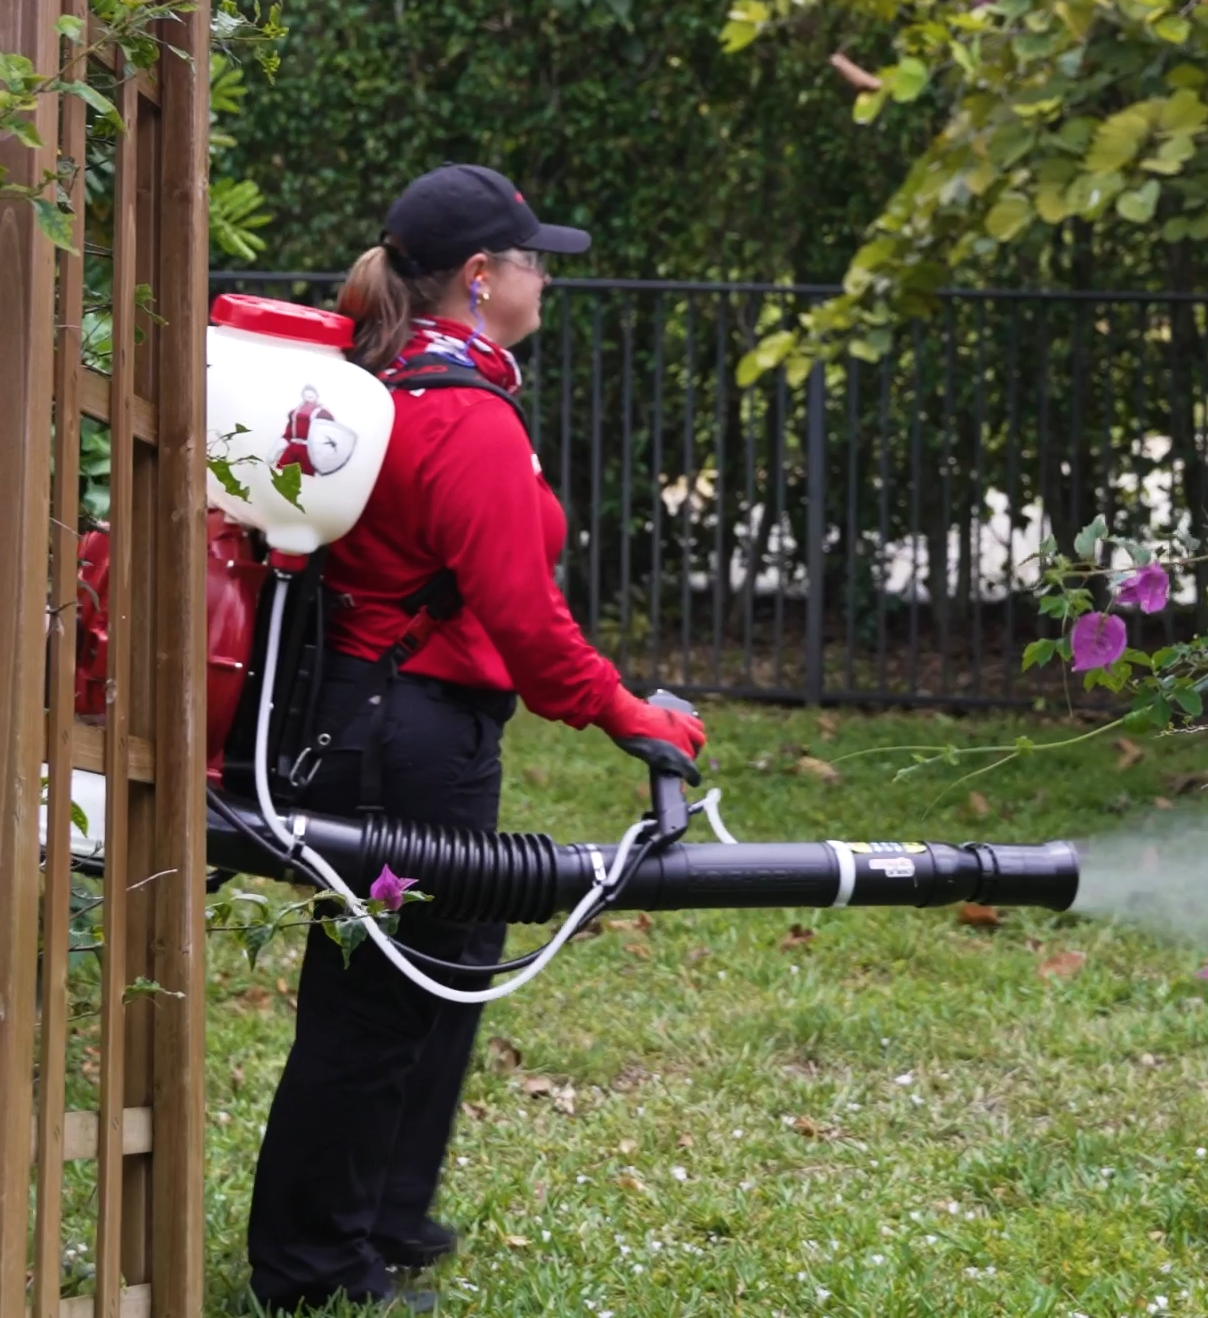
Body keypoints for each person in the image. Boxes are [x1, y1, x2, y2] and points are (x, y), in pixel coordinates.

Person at [242, 164, 708, 1312]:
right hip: (413, 734)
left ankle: (387, 1215)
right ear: (482, 278)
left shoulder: (391, 378)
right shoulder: (462, 413)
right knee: (379, 1004)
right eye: (534, 260)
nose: (546, 279)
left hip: (380, 720)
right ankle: (311, 1267)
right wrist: (633, 717)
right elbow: (529, 626)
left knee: (437, 978)